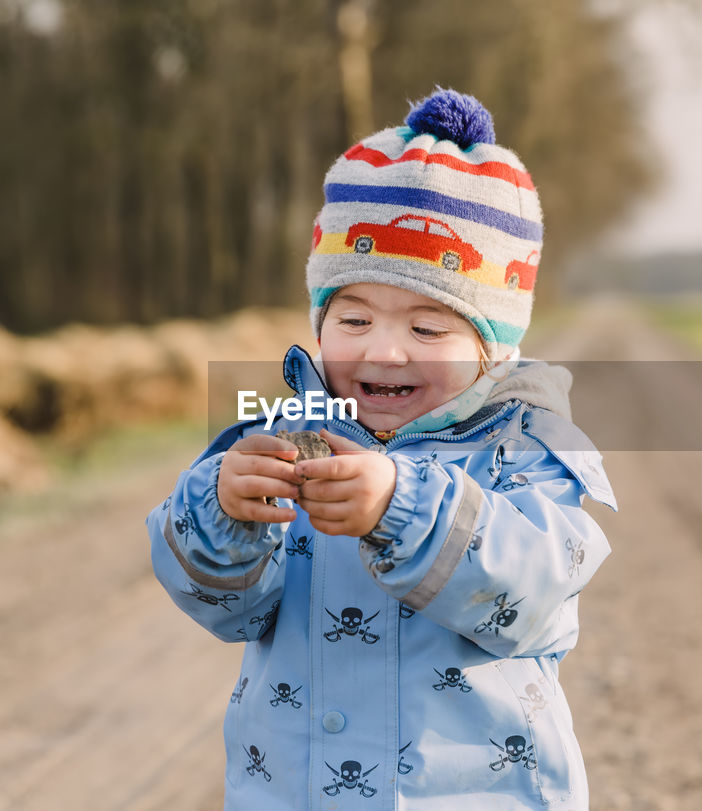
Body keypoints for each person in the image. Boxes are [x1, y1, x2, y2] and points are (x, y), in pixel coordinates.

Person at [147, 88, 617, 809]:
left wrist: (406, 509)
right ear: (319, 317)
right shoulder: (282, 438)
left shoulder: (526, 449)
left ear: (493, 350)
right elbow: (225, 610)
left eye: (429, 330)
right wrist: (222, 514)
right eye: (355, 317)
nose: (385, 349)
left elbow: (534, 592)